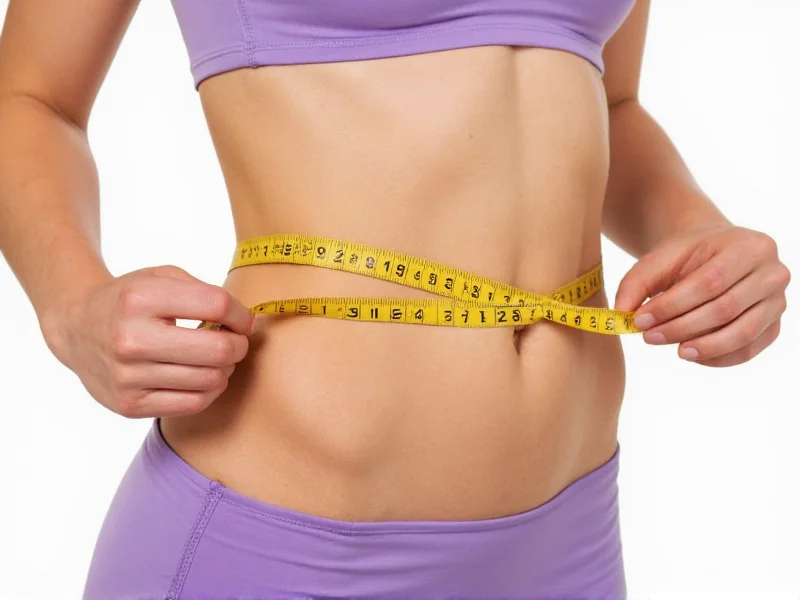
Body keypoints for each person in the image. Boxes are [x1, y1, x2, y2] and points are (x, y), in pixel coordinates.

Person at [0, 0, 790, 598]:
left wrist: (697, 230)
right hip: (284, 552)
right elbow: (33, 97)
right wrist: (72, 304)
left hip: (569, 545)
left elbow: (609, 101)